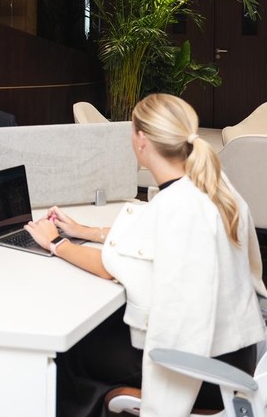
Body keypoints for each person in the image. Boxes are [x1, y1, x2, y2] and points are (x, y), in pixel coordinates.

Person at [24, 94, 266, 417]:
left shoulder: (174, 207)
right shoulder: (211, 186)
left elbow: (107, 266)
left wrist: (56, 243)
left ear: (141, 140)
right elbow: (152, 237)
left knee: (71, 351)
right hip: (237, 352)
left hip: (198, 370)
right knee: (106, 330)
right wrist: (85, 231)